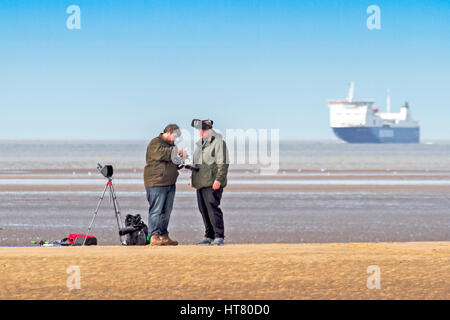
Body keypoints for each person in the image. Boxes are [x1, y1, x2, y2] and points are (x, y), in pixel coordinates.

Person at [144, 124, 185, 246]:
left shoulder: (172, 146)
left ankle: (163, 235)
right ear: (167, 132)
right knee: (156, 210)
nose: (174, 139)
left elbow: (175, 161)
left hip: (170, 182)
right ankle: (154, 235)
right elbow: (161, 154)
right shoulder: (155, 143)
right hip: (156, 182)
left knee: (166, 211)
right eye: (174, 136)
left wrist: (182, 159)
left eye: (176, 137)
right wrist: (177, 151)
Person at [190, 119, 229, 246]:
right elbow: (197, 163)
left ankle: (219, 236)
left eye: (203, 130)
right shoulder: (200, 144)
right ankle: (209, 236)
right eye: (199, 130)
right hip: (200, 182)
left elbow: (222, 163)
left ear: (209, 130)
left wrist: (219, 179)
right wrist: (192, 178)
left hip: (212, 182)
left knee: (213, 209)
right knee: (203, 210)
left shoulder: (218, 142)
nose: (200, 132)